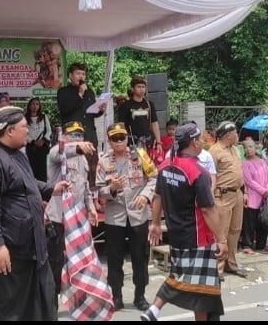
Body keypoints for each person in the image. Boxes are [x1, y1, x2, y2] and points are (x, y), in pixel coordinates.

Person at [0, 106, 71, 321]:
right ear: (9, 130)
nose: (28, 132)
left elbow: (25, 183)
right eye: (24, 127)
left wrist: (51, 189)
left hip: (27, 247)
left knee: (35, 307)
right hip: (5, 249)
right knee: (4, 308)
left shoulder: (16, 154)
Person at [141, 122, 228, 321]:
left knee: (199, 287)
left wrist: (155, 223)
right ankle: (154, 308)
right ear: (194, 142)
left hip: (176, 234)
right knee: (198, 288)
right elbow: (208, 208)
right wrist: (221, 239)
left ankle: (154, 310)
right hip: (198, 237)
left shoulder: (165, 166)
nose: (202, 142)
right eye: (200, 139)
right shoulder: (198, 172)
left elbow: (158, 197)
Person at [96, 122, 157, 311]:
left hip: (137, 214)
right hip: (115, 216)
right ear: (109, 141)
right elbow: (98, 191)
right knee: (114, 258)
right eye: (115, 139)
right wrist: (111, 189)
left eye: (122, 137)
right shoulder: (104, 161)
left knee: (141, 256)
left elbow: (154, 177)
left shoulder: (140, 155)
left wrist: (145, 195)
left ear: (126, 138)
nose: (119, 141)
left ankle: (140, 295)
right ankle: (116, 296)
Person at [45, 121, 98, 304]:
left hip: (77, 218)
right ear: (64, 136)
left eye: (80, 135)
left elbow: (84, 187)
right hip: (58, 217)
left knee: (78, 262)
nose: (77, 138)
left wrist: (90, 207)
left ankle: (78, 300)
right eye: (73, 135)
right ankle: (50, 304)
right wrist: (76, 146)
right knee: (55, 262)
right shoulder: (57, 153)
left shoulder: (82, 158)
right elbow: (59, 151)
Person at [57, 63, 106, 189]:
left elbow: (91, 113)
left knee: (92, 167)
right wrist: (79, 94)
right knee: (73, 167)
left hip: (89, 133)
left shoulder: (89, 91)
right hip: (72, 136)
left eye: (83, 74)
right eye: (78, 73)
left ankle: (93, 197)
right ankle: (74, 195)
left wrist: (100, 109)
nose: (81, 76)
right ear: (70, 76)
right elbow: (65, 110)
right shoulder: (63, 92)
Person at [208, 121, 247, 278]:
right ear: (227, 135)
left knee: (235, 231)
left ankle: (232, 263)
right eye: (235, 132)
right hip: (222, 195)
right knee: (221, 233)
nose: (237, 135)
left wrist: (245, 192)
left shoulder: (236, 150)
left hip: (237, 193)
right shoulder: (214, 151)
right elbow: (211, 176)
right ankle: (218, 268)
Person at [241, 139, 268, 255]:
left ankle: (262, 244)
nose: (248, 149)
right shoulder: (245, 164)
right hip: (253, 197)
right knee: (250, 222)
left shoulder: (262, 162)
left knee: (264, 221)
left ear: (255, 149)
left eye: (251, 147)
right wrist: (263, 190)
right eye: (246, 147)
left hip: (265, 197)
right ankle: (247, 244)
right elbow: (249, 181)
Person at [117, 76, 163, 155]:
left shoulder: (149, 104)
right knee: (134, 165)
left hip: (147, 142)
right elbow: (121, 125)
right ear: (133, 89)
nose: (141, 89)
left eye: (143, 87)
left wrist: (158, 142)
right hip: (131, 143)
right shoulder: (125, 106)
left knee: (148, 166)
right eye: (138, 87)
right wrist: (122, 142)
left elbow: (154, 123)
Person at [26, 97, 52, 182]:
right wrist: (33, 142)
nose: (35, 106)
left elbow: (48, 131)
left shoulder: (44, 117)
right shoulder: (25, 118)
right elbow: (24, 133)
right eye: (33, 104)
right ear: (29, 106)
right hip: (31, 147)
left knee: (42, 168)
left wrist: (43, 140)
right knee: (31, 167)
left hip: (42, 147)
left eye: (37, 104)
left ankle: (43, 188)